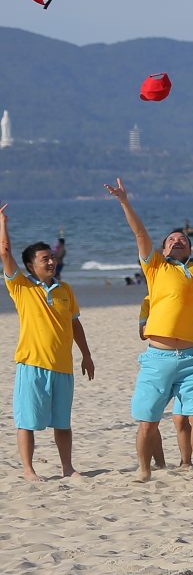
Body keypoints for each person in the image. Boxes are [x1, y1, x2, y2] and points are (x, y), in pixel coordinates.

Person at [107, 179, 193, 482]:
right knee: (147, 421)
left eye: (182, 239)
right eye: (171, 239)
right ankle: (144, 470)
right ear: (162, 248)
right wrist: (124, 202)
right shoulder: (156, 266)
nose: (177, 241)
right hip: (157, 357)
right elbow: (140, 233)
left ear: (190, 248)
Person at [2, 202, 95, 479]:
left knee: (63, 423)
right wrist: (2, 223)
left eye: (52, 257)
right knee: (27, 422)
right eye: (45, 259)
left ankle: (68, 467)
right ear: (31, 265)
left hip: (63, 366)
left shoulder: (65, 289)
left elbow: (75, 324)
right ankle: (29, 470)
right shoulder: (21, 286)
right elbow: (4, 252)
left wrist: (86, 355)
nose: (51, 262)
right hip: (32, 364)